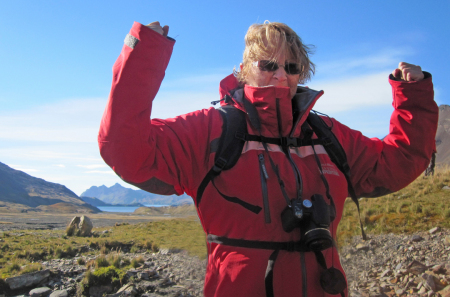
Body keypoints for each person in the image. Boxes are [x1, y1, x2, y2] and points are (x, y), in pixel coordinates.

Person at [98, 20, 438, 297]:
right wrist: (142, 55)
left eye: (291, 67)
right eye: (269, 64)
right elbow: (125, 149)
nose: (281, 75)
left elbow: (398, 163)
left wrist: (414, 99)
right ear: (245, 68)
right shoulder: (212, 129)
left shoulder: (327, 134)